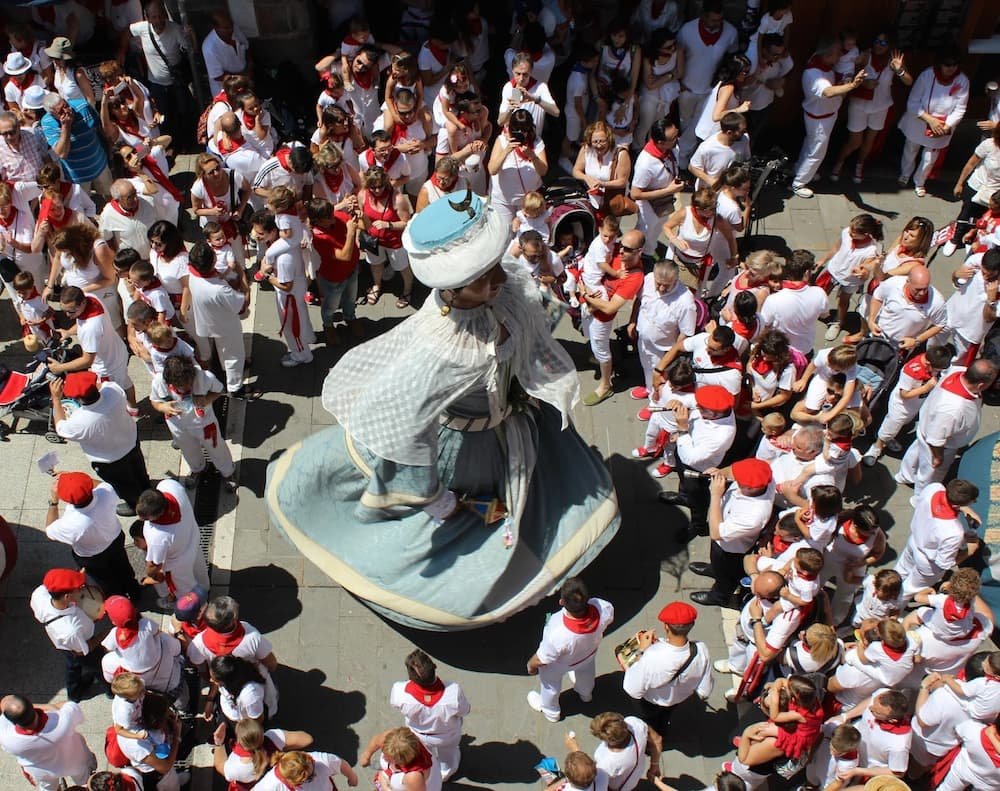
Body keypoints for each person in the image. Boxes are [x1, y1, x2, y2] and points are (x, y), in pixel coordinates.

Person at [264, 191, 620, 629]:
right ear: (450, 286)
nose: (495, 281)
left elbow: (539, 319)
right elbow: (410, 424)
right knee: (464, 520)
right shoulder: (440, 347)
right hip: (462, 444)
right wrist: (434, 496)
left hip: (510, 421)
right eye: (480, 277)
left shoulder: (507, 285)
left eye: (492, 269)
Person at [50, 372, 150, 516]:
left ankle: (136, 505)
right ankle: (147, 489)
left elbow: (60, 427)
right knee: (139, 471)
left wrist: (56, 399)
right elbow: (104, 385)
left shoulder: (79, 421)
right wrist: (86, 384)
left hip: (110, 461)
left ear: (77, 398)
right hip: (131, 442)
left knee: (123, 486)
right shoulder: (114, 391)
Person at [896, 360, 997, 492]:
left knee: (915, 452)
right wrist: (938, 457)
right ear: (982, 384)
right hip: (940, 444)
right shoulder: (953, 409)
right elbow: (935, 439)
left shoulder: (957, 372)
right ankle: (922, 495)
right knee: (930, 474)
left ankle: (904, 475)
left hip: (928, 427)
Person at [526, 577, 614, 723]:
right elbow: (609, 618)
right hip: (588, 655)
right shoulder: (603, 607)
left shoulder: (557, 629)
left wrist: (531, 666)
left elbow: (542, 658)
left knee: (550, 685)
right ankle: (585, 693)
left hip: (559, 664)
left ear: (561, 602)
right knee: (586, 673)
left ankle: (551, 712)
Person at [623, 601, 712, 741]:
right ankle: (662, 733)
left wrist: (642, 651)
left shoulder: (652, 655)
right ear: (692, 625)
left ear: (666, 626)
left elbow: (633, 689)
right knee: (664, 719)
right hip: (676, 701)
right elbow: (704, 690)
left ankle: (649, 743)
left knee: (647, 723)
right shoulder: (701, 649)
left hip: (651, 702)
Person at [689, 459, 775, 604]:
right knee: (717, 562)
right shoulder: (763, 477)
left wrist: (715, 495)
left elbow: (716, 533)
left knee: (726, 576)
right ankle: (714, 570)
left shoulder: (754, 514)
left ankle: (719, 597)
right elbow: (731, 470)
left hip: (731, 549)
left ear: (750, 487)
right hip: (721, 541)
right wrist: (719, 473)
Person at [45, 471, 141, 600]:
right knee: (124, 567)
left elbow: (50, 530)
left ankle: (118, 600)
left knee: (105, 580)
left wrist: (53, 502)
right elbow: (102, 484)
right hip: (115, 539)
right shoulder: (106, 494)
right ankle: (135, 592)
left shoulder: (71, 524)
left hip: (92, 557)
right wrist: (78, 481)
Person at [656, 386, 738, 536]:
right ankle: (683, 497)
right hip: (683, 452)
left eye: (701, 408)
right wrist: (677, 402)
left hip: (698, 470)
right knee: (683, 481)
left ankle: (698, 526)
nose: (696, 407)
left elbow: (691, 458)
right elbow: (693, 401)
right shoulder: (714, 409)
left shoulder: (721, 434)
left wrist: (682, 430)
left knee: (698, 500)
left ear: (715, 413)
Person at [830, 34, 911, 184]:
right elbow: (848, 76)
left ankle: (859, 166)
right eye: (877, 41)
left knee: (870, 139)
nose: (879, 45)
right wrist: (864, 83)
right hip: (859, 103)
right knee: (855, 141)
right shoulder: (865, 55)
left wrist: (899, 70)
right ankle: (839, 162)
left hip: (881, 105)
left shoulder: (894, 60)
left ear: (890, 45)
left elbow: (908, 81)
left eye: (884, 42)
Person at [790, 37, 865, 199]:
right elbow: (828, 92)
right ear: (827, 54)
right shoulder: (814, 74)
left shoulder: (821, 63)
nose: (840, 56)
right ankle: (799, 182)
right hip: (819, 119)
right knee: (816, 152)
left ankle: (800, 169)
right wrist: (852, 85)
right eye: (837, 53)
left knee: (810, 145)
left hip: (824, 115)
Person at [150, 356, 237, 492]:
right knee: (188, 449)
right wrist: (163, 408)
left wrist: (207, 399)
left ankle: (228, 471)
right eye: (180, 386)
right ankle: (198, 468)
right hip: (177, 425)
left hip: (205, 423)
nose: (185, 388)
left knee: (216, 446)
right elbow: (154, 401)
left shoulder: (206, 377)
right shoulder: (158, 382)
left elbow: (220, 390)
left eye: (188, 384)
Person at [580, 229, 647, 406]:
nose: (621, 251)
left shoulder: (635, 277)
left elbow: (610, 308)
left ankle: (606, 385)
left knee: (601, 349)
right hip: (590, 303)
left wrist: (584, 295)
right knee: (592, 340)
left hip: (601, 317)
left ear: (639, 251)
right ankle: (602, 359)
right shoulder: (616, 250)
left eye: (627, 249)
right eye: (621, 245)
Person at [863, 343, 955, 466]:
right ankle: (876, 448)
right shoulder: (912, 371)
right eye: (937, 370)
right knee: (891, 426)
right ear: (928, 364)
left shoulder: (932, 361)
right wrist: (926, 388)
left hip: (916, 403)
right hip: (902, 406)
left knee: (901, 424)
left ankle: (888, 438)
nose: (938, 372)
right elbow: (904, 394)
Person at [389, 649, 470, 780]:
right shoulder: (453, 691)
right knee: (448, 758)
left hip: (417, 735)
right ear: (435, 667)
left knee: (425, 756)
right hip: (447, 736)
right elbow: (465, 711)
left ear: (411, 677)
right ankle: (445, 775)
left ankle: (429, 774)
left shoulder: (399, 691)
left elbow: (395, 704)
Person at [898, 50, 969, 197]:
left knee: (929, 158)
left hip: (942, 127)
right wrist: (930, 120)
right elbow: (912, 103)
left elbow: (960, 108)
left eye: (954, 65)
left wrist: (947, 125)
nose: (951, 68)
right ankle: (905, 174)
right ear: (939, 64)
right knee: (910, 149)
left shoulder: (962, 80)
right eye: (947, 64)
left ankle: (919, 181)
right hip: (919, 120)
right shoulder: (927, 75)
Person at [675, 1, 738, 166]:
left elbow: (731, 59)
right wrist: (678, 82)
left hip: (710, 91)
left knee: (696, 127)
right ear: (703, 17)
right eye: (713, 20)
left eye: (719, 20)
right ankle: (682, 156)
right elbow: (677, 56)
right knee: (685, 123)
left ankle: (683, 159)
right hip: (686, 88)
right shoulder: (687, 30)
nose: (717, 24)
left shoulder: (731, 32)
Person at [894, 479, 981, 599]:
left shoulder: (933, 488)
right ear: (957, 504)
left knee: (899, 572)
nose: (974, 502)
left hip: (913, 542)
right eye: (972, 501)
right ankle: (891, 609)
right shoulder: (954, 531)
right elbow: (943, 563)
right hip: (928, 563)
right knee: (909, 590)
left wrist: (963, 508)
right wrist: (970, 551)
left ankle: (885, 589)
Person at [627, 259, 696, 409]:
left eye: (667, 285)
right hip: (643, 339)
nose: (662, 288)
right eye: (659, 283)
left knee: (659, 377)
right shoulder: (648, 279)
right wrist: (632, 321)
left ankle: (655, 404)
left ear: (676, 280)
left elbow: (685, 333)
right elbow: (639, 301)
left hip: (663, 349)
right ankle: (649, 389)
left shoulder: (685, 302)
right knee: (646, 367)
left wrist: (671, 356)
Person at [29, 568, 105, 702]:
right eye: (78, 589)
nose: (81, 590)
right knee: (98, 666)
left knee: (73, 665)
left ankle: (75, 693)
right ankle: (109, 690)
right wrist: (104, 634)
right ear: (67, 597)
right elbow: (82, 651)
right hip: (80, 645)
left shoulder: (40, 593)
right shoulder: (71, 630)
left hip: (66, 645)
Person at [185, 241, 249, 397]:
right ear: (213, 260)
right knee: (234, 355)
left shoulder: (192, 273)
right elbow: (242, 305)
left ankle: (224, 368)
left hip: (207, 322)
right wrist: (243, 278)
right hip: (226, 325)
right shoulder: (220, 289)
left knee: (222, 349)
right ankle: (236, 388)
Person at [254, 212, 316, 367]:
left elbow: (286, 286)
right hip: (297, 291)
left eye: (261, 233)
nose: (256, 236)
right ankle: (309, 337)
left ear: (273, 231)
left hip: (289, 297)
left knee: (291, 327)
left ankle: (301, 354)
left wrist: (267, 276)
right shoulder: (281, 244)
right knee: (302, 319)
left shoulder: (283, 259)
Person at [136, 479, 210, 608]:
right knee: (200, 571)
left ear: (158, 514)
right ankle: (205, 588)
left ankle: (196, 608)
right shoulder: (170, 486)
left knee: (184, 590)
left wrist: (151, 575)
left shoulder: (157, 536)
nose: (140, 519)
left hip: (178, 565)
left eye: (146, 518)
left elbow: (154, 566)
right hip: (192, 540)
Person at [0, 694, 97, 790]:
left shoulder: (6, 738)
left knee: (48, 788)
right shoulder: (63, 719)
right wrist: (49, 707)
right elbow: (68, 704)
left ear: (12, 721)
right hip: (76, 761)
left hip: (41, 772)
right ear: (31, 705)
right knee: (85, 783)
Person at [100, 595, 185, 703]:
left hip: (149, 697)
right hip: (173, 684)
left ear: (113, 623)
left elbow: (111, 680)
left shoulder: (110, 663)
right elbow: (178, 649)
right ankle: (185, 710)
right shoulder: (163, 641)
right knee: (182, 699)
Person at [129, 1, 193, 142]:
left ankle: (185, 142)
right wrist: (122, 52)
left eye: (160, 16)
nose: (158, 21)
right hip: (156, 84)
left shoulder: (175, 29)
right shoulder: (141, 28)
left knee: (182, 112)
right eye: (154, 17)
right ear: (147, 18)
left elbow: (190, 49)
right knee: (164, 115)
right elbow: (126, 32)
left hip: (175, 83)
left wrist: (190, 36)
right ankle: (170, 143)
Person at [630, 119, 685, 257]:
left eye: (676, 134)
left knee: (656, 230)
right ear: (660, 142)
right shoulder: (646, 163)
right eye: (672, 138)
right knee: (645, 232)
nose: (677, 139)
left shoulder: (672, 148)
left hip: (664, 201)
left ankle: (649, 252)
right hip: (649, 206)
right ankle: (639, 257)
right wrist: (669, 190)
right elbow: (635, 194)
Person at [565, 711, 658, 791]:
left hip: (615, 787)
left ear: (611, 740)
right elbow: (657, 740)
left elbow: (585, 777)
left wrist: (575, 752)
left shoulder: (607, 763)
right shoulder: (634, 723)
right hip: (634, 777)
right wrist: (654, 765)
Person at [946, 125, 1000, 257]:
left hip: (994, 194)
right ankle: (956, 239)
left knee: (983, 219)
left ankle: (972, 238)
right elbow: (971, 164)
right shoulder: (989, 145)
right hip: (977, 187)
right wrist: (959, 184)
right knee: (966, 213)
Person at [40, 93, 111, 194]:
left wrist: (108, 149)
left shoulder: (83, 107)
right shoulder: (47, 123)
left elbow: (100, 129)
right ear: (52, 114)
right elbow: (62, 154)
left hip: (100, 165)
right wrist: (66, 127)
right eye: (61, 111)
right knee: (84, 206)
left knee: (109, 194)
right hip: (78, 176)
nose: (67, 111)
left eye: (66, 106)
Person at [487, 107, 548, 225]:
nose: (521, 133)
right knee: (504, 235)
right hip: (504, 201)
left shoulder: (537, 142)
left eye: (524, 130)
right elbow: (492, 169)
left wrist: (532, 155)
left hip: (528, 202)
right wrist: (506, 150)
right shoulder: (501, 140)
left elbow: (543, 171)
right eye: (516, 130)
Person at [497, 51, 559, 138]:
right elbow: (500, 122)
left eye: (525, 74)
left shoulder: (540, 87)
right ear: (512, 71)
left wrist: (534, 99)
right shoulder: (509, 87)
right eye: (518, 74)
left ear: (531, 71)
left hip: (533, 140)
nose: (521, 78)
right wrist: (510, 108)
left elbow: (556, 112)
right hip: (511, 139)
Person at [361, 727, 440, 791]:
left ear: (403, 760)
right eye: (384, 753)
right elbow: (376, 741)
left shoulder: (413, 777)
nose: (384, 758)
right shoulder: (394, 739)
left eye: (390, 758)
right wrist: (367, 755)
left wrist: (385, 787)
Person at [201, 10, 251, 96]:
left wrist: (250, 66)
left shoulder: (234, 29)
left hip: (245, 82)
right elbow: (218, 76)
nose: (231, 30)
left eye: (231, 26)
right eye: (226, 28)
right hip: (227, 91)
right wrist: (243, 77)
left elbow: (246, 47)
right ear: (216, 27)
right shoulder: (209, 48)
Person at [0, 110, 50, 182]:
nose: (9, 137)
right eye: (5, 134)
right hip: (17, 190)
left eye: (12, 132)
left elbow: (46, 157)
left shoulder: (33, 135)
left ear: (18, 127)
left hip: (41, 183)